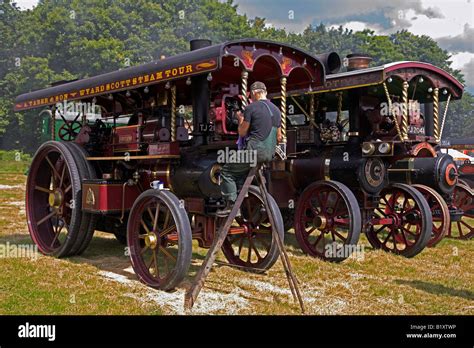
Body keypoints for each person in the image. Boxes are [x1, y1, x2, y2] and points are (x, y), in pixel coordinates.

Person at [216, 81, 282, 217]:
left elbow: (242, 133)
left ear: (255, 93)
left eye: (251, 95)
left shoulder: (251, 108)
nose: (251, 98)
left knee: (226, 171)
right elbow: (279, 137)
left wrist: (240, 120)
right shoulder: (277, 110)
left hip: (254, 152)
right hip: (269, 154)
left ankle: (231, 205)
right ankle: (242, 192)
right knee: (239, 171)